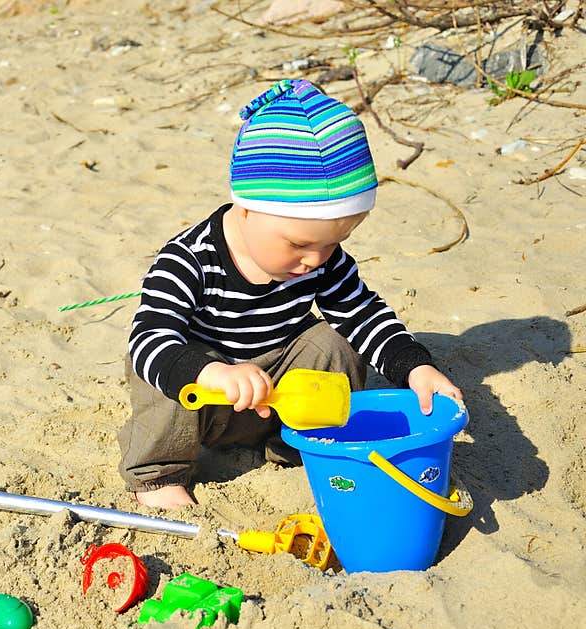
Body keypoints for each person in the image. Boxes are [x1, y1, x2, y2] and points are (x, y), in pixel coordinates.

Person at [117, 79, 463, 510]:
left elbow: (364, 316)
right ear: (246, 207)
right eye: (298, 245)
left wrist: (415, 369)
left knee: (337, 341)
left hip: (280, 395)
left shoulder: (320, 260)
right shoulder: (188, 261)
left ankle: (299, 444)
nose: (315, 260)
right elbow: (150, 339)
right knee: (159, 368)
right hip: (205, 398)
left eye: (334, 242)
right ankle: (159, 475)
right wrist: (212, 374)